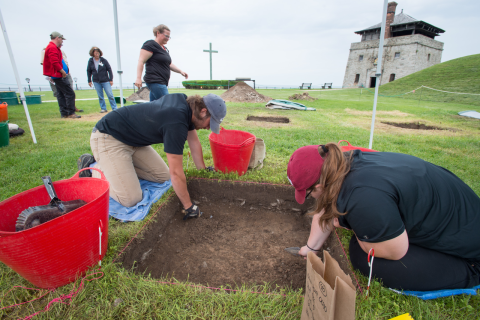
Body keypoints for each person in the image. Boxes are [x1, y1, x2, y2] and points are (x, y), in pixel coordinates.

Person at [287, 143, 480, 291]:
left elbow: (395, 251)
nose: (311, 197)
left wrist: (348, 224)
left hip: (470, 249)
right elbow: (325, 210)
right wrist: (310, 249)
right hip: (458, 215)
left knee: (363, 254)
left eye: (309, 192)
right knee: (366, 234)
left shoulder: (362, 196)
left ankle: (470, 273)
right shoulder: (346, 161)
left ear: (319, 186)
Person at [77, 93, 226, 220]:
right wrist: (188, 206)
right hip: (109, 138)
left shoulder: (188, 106)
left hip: (134, 142)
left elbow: (194, 142)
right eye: (210, 122)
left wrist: (203, 170)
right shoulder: (176, 121)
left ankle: (121, 167)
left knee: (163, 177)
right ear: (203, 111)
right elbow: (176, 172)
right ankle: (92, 167)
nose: (208, 127)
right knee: (130, 199)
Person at [134, 24, 188, 101]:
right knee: (167, 104)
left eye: (169, 37)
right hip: (155, 81)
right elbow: (141, 61)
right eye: (166, 36)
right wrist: (138, 78)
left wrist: (180, 71)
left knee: (154, 107)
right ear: (158, 33)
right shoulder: (150, 45)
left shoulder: (164, 49)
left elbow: (169, 64)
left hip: (161, 82)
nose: (168, 38)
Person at [42, 32, 80, 119]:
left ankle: (64, 113)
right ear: (57, 38)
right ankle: (70, 113)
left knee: (61, 94)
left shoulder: (54, 47)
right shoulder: (52, 47)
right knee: (70, 93)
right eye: (62, 39)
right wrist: (62, 72)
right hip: (59, 75)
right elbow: (54, 62)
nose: (62, 41)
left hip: (57, 75)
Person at [41, 48, 83, 113]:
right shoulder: (46, 51)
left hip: (66, 73)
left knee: (70, 91)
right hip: (56, 75)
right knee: (60, 93)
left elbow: (64, 61)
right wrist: (50, 75)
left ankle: (72, 107)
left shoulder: (60, 51)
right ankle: (65, 110)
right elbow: (45, 63)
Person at [87, 47, 117, 113]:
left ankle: (114, 108)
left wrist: (110, 79)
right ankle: (103, 108)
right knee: (100, 96)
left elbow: (109, 69)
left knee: (110, 95)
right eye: (95, 53)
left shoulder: (103, 60)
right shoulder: (91, 61)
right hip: (96, 81)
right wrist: (89, 80)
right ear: (93, 53)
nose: (97, 54)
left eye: (98, 53)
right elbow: (89, 71)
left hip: (105, 80)